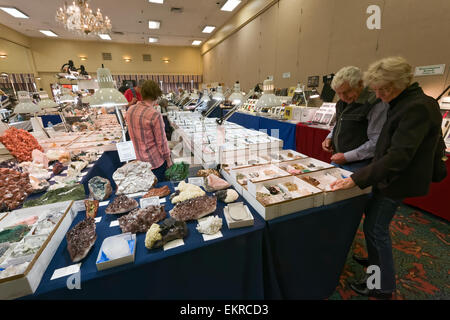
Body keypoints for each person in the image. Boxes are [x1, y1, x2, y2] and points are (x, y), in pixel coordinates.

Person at [330, 57, 447, 299]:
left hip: (396, 180)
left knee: (375, 229)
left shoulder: (415, 107)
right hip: (387, 176)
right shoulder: (404, 101)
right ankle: (375, 259)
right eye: (376, 90)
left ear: (400, 83)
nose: (379, 95)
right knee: (374, 223)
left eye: (383, 90)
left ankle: (380, 285)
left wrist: (357, 178)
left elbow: (399, 156)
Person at [322, 66, 388, 172]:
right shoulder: (342, 102)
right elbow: (339, 123)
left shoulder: (374, 104)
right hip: (339, 159)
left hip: (360, 165)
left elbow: (377, 141)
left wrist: (347, 157)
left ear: (360, 84)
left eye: (347, 91)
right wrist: (329, 137)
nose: (343, 97)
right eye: (339, 93)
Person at [126, 80, 173, 182]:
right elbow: (162, 142)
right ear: (156, 96)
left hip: (138, 160)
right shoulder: (154, 114)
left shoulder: (130, 110)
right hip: (154, 162)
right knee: (160, 191)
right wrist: (168, 160)